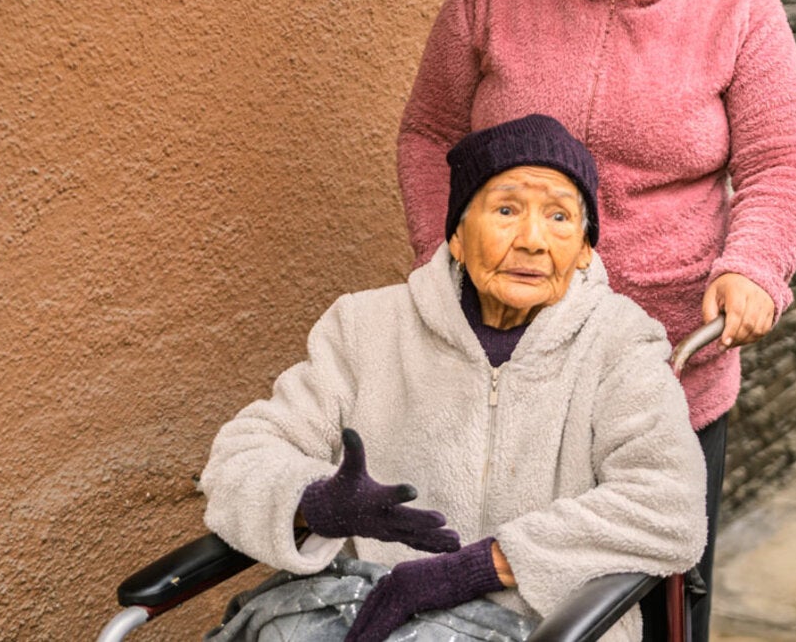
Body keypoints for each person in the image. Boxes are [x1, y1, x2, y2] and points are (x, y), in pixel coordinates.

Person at [394, 0, 796, 638]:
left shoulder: (739, 5)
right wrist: (441, 262)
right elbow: (430, 133)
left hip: (668, 370)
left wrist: (752, 268)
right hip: (503, 360)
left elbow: (782, 163)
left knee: (660, 595)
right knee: (508, 591)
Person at [201, 115, 708, 642]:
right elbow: (241, 456)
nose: (533, 241)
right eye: (506, 210)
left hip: (547, 628)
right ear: (457, 237)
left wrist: (469, 571)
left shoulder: (620, 343)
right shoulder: (365, 327)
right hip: (367, 616)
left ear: (584, 249)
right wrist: (317, 501)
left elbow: (669, 504)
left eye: (559, 216)